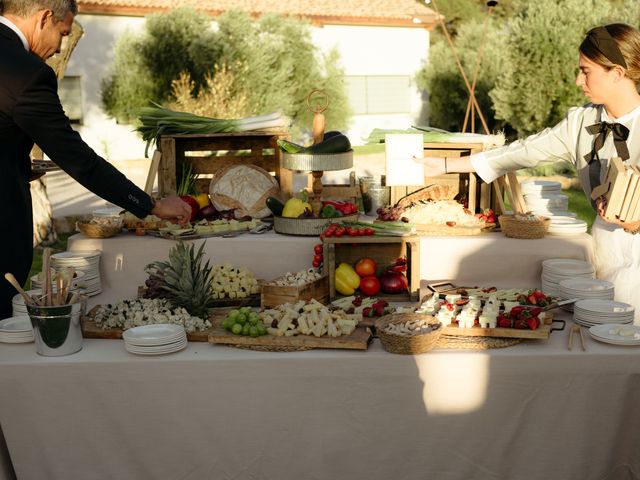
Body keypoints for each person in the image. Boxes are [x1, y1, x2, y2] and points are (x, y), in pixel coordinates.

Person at [418, 23, 640, 312]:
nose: (577, 80)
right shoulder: (580, 123)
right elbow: (524, 151)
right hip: (604, 247)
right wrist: (445, 164)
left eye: (586, 70)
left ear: (617, 73)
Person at [0, 0, 192, 319]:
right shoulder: (27, 73)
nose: (60, 47)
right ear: (44, 17)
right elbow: (79, 160)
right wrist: (151, 206)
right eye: (62, 33)